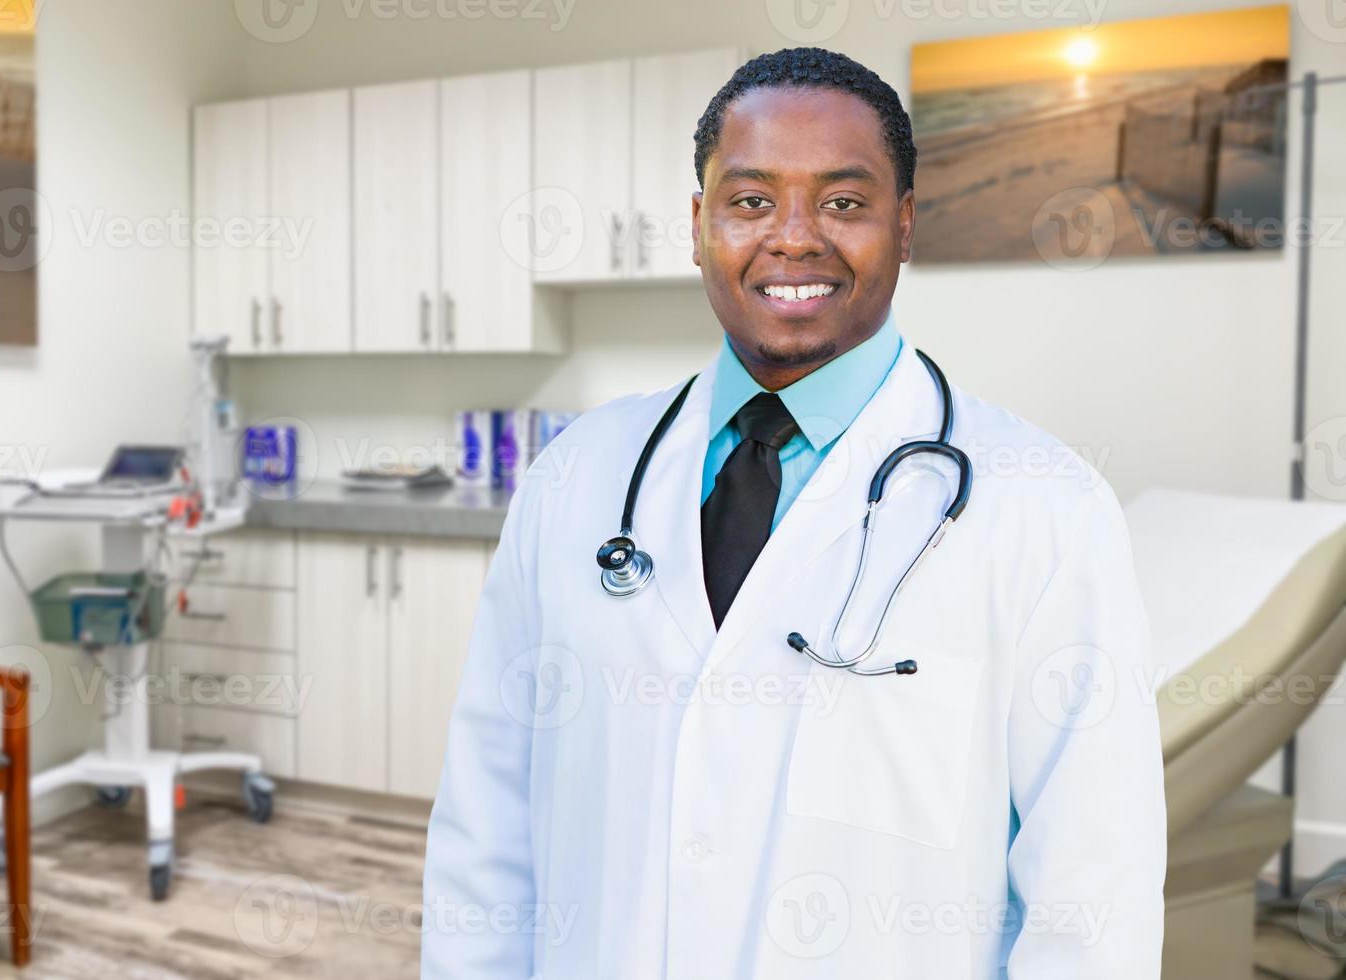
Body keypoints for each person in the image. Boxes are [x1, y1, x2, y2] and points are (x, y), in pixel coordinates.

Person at [421, 46, 1165, 979]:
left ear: (903, 227)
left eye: (845, 203)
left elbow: (1091, 894)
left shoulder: (1045, 507)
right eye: (750, 200)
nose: (795, 238)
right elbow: (487, 820)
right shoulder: (575, 478)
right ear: (699, 226)